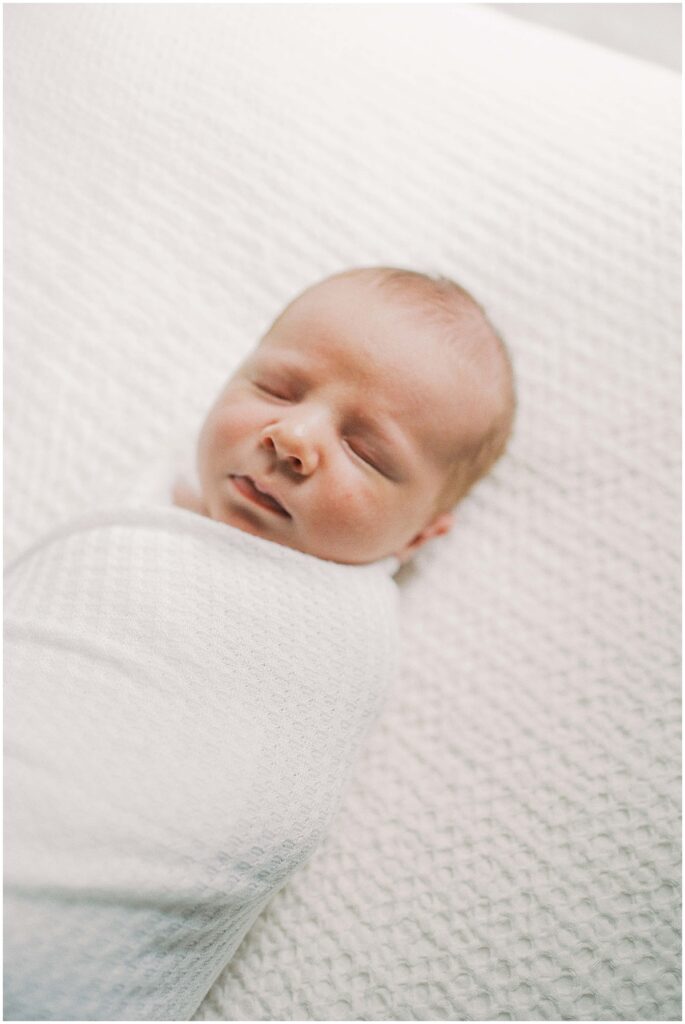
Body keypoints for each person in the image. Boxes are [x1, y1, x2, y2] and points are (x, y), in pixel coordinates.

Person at [173, 266, 516, 566]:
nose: (294, 436)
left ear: (417, 537)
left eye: (363, 452)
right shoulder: (156, 493)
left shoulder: (341, 627)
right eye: (275, 390)